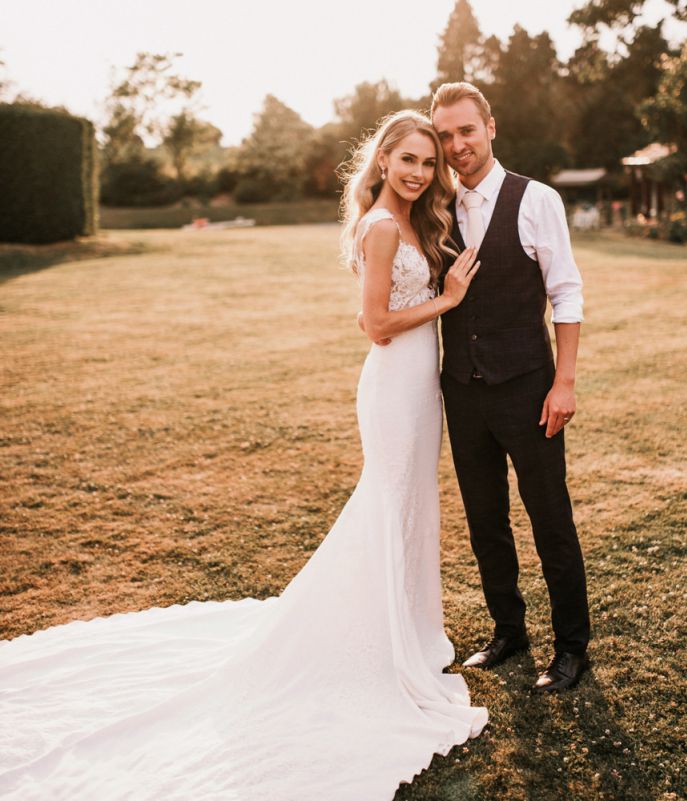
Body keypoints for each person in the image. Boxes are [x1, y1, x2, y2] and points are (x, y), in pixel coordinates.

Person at [0, 111, 486, 801]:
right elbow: (373, 324)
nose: (418, 172)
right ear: (381, 160)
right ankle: (369, 645)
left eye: (427, 163)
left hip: (417, 386)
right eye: (407, 159)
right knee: (383, 504)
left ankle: (405, 632)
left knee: (407, 506)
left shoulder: (409, 220)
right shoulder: (382, 227)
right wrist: (448, 299)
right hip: (391, 382)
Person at [431, 82, 592, 692]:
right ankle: (508, 630)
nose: (455, 145)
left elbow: (565, 292)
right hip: (462, 393)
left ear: (490, 128)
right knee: (484, 518)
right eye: (444, 135)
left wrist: (565, 382)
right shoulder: (436, 207)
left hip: (528, 386)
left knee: (550, 516)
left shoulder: (536, 199)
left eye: (465, 131)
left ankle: (573, 647)